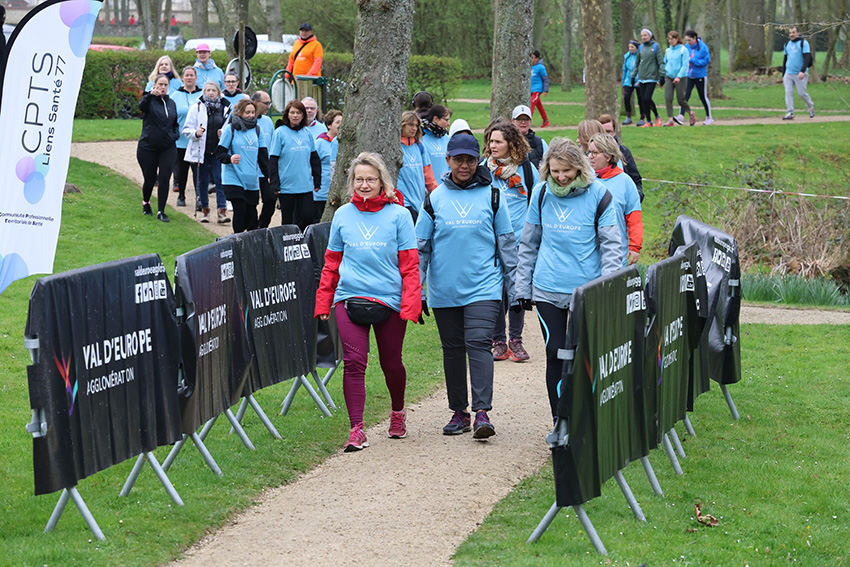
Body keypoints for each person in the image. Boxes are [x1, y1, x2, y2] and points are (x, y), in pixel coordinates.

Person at [315, 152, 421, 452]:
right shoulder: (342, 215)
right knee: (353, 363)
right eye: (359, 179)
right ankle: (356, 429)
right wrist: (323, 301)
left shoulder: (399, 216)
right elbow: (331, 262)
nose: (364, 185)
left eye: (370, 179)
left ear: (382, 182)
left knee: (391, 363)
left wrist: (411, 303)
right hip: (349, 298)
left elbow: (410, 266)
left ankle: (398, 412)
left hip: (389, 301)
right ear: (351, 182)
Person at [416, 133, 518, 439]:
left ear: (479, 161)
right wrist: (416, 290)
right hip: (444, 288)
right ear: (447, 160)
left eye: (470, 160)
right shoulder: (434, 199)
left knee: (478, 344)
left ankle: (482, 413)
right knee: (452, 350)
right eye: (458, 159)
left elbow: (508, 246)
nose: (464, 165)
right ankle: (458, 412)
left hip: (484, 287)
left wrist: (516, 291)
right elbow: (421, 249)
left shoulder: (493, 196)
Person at [514, 139, 622, 418]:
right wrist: (522, 286)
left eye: (567, 171)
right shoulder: (540, 194)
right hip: (548, 288)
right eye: (555, 171)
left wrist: (606, 287)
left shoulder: (599, 195)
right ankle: (560, 420)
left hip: (585, 292)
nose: (561, 178)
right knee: (555, 353)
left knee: (584, 354)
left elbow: (611, 246)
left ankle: (585, 415)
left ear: (579, 168)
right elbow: (529, 243)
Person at [482, 120, 537, 363]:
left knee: (516, 292)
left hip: (518, 242)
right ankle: (498, 342)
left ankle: (516, 340)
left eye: (498, 142)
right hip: (489, 242)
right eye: (490, 141)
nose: (492, 146)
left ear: (510, 144)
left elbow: (536, 204)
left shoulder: (526, 170)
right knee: (496, 292)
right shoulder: (482, 170)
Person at [587, 133, 643, 266]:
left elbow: (634, 218)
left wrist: (635, 247)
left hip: (616, 255)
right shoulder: (584, 180)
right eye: (589, 152)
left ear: (608, 156)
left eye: (595, 152)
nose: (590, 156)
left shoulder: (625, 182)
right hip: (587, 256)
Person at [215, 99, 269, 233]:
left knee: (251, 213)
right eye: (247, 112)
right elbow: (219, 153)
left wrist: (269, 176)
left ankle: (252, 242)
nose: (251, 115)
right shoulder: (231, 129)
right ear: (239, 113)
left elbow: (262, 156)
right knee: (240, 208)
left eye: (253, 112)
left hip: (251, 178)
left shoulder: (257, 130)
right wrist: (230, 158)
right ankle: (237, 239)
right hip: (233, 177)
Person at [269, 99, 322, 231]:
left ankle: (300, 240)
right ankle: (286, 243)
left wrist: (317, 180)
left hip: (305, 184)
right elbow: (273, 160)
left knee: (308, 216)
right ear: (287, 114)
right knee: (288, 220)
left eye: (298, 112)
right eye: (292, 112)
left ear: (303, 115)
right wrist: (275, 183)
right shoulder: (280, 133)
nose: (295, 115)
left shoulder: (307, 132)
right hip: (287, 186)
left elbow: (314, 158)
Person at [183, 81, 231, 223]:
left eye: (213, 90)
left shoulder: (225, 107)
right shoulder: (197, 107)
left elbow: (229, 126)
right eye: (208, 90)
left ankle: (222, 211)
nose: (210, 93)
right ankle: (205, 210)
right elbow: (186, 129)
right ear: (204, 92)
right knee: (202, 181)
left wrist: (223, 133)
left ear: (218, 92)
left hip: (218, 150)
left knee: (220, 179)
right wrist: (195, 133)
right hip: (201, 150)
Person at [136, 74, 179, 223]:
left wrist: (175, 135)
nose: (162, 87)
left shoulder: (171, 103)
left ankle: (161, 210)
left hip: (168, 147)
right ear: (154, 85)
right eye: (160, 84)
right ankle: (146, 202)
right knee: (150, 178)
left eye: (165, 85)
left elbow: (174, 122)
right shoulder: (149, 100)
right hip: (148, 147)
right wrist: (148, 95)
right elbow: (141, 107)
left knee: (165, 177)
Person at [172, 66, 203, 208]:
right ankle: (181, 195)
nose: (189, 78)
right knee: (182, 171)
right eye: (187, 75)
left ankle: (199, 198)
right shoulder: (175, 96)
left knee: (198, 171)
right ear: (183, 78)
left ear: (196, 78)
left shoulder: (202, 94)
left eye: (192, 75)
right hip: (181, 141)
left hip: (198, 141)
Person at [398, 110, 437, 216]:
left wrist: (437, 194)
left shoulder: (420, 146)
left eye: (416, 125)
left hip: (420, 201)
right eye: (410, 125)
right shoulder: (395, 147)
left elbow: (428, 175)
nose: (414, 128)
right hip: (402, 202)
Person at [598, 113, 644, 201]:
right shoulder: (591, 155)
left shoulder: (624, 152)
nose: (606, 135)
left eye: (608, 132)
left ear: (614, 132)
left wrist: (635, 198)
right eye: (602, 132)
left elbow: (636, 180)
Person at [252, 91, 278, 228]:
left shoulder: (268, 122)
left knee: (270, 199)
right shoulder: (243, 120)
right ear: (256, 102)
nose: (268, 106)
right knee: (251, 203)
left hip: (266, 170)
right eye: (266, 103)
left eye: (269, 103)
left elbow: (273, 145)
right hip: (250, 169)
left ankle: (262, 227)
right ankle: (252, 227)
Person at [631, 29, 663, 127]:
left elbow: (660, 62)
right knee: (644, 100)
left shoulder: (656, 46)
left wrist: (662, 75)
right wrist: (633, 76)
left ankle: (657, 116)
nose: (643, 37)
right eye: (642, 35)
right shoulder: (640, 48)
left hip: (652, 77)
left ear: (650, 36)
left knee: (647, 97)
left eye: (645, 35)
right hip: (642, 77)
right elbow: (637, 63)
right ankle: (648, 121)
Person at [781, 26, 815, 120]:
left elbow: (807, 58)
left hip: (800, 74)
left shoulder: (803, 43)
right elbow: (785, 59)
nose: (791, 34)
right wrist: (783, 74)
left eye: (793, 32)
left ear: (798, 33)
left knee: (802, 93)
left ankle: (811, 107)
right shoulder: (787, 43)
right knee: (788, 92)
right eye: (790, 33)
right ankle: (790, 112)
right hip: (789, 73)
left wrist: (802, 71)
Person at [315, 109, 342, 222]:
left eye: (343, 122)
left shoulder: (344, 143)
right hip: (323, 190)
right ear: (329, 125)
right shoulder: (320, 143)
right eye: (337, 122)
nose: (341, 125)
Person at [684, 30, 713, 125]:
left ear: (695, 38)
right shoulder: (686, 47)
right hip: (689, 75)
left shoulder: (703, 47)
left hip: (700, 75)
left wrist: (692, 61)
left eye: (690, 40)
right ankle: (680, 116)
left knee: (702, 97)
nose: (688, 42)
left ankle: (709, 117)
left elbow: (706, 61)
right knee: (685, 96)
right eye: (687, 40)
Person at [663, 31, 690, 126]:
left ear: (677, 39)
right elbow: (665, 63)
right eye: (669, 39)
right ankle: (670, 119)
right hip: (669, 76)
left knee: (680, 99)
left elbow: (685, 64)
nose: (670, 41)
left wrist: (679, 76)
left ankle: (690, 112)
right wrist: (665, 73)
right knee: (668, 97)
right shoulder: (668, 51)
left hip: (681, 77)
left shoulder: (683, 50)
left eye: (672, 39)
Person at [511, 104, 549, 169]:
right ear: (513, 121)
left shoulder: (540, 143)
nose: (523, 122)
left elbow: (548, 165)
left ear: (530, 121)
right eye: (519, 119)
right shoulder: (506, 141)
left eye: (526, 119)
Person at [422, 105, 452, 182]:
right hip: (427, 188)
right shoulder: (421, 138)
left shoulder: (447, 138)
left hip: (445, 187)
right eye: (446, 120)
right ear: (435, 119)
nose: (448, 124)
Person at [530, 50, 551, 128]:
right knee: (539, 106)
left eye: (532, 57)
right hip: (531, 89)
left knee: (531, 103)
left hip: (537, 89)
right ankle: (546, 121)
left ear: (537, 58)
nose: (531, 59)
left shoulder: (541, 67)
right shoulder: (530, 67)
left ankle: (527, 120)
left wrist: (546, 90)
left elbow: (545, 79)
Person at [621, 40, 639, 125]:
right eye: (629, 47)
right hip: (628, 80)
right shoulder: (627, 56)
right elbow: (624, 69)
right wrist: (623, 81)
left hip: (638, 79)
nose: (630, 49)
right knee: (626, 97)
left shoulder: (639, 56)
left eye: (632, 47)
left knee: (641, 99)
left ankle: (642, 117)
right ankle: (628, 116)